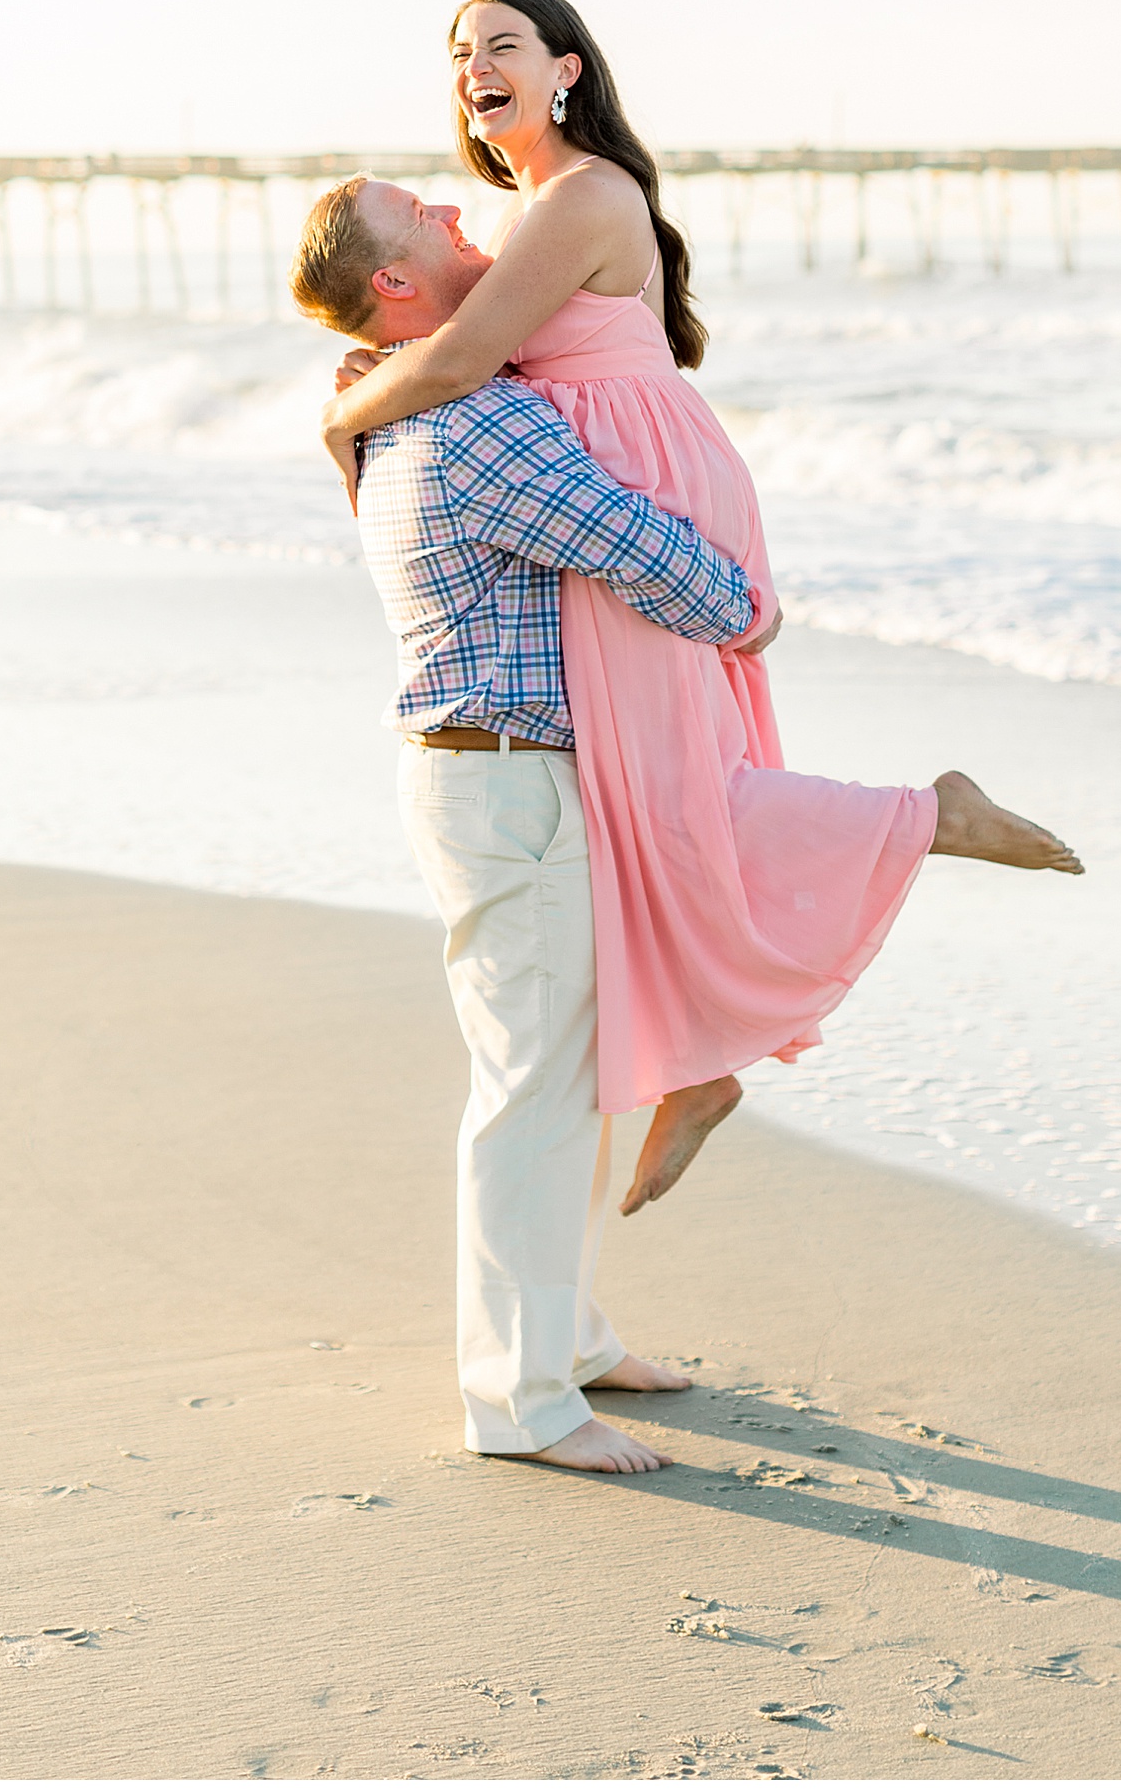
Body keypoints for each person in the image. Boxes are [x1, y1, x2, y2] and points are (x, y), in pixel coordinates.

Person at [311, 0, 1083, 1222]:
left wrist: (343, 416)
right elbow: (468, 355)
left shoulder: (579, 195)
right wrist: (390, 363)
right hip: (608, 469)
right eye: (461, 53)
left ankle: (922, 818)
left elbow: (457, 364)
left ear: (563, 69)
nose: (475, 66)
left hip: (641, 478)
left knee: (665, 787)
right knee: (637, 791)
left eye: (502, 45)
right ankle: (704, 1060)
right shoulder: (526, 210)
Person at [291, 174, 772, 1471]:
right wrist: (747, 607)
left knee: (560, 1078)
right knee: (532, 1092)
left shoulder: (402, 415)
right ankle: (520, 1399)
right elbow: (638, 545)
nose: (466, 225)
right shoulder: (478, 426)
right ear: (398, 286)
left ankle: (565, 1336)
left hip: (489, 775)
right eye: (428, 224)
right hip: (509, 783)